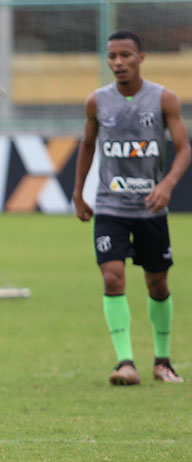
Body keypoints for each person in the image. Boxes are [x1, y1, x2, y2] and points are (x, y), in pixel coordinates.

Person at [73, 29, 190, 386]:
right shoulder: (97, 102)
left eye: (125, 55)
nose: (118, 62)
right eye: (112, 57)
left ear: (141, 57)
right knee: (112, 276)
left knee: (157, 283)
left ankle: (162, 360)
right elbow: (88, 147)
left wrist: (167, 185)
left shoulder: (164, 99)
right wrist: (79, 193)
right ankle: (125, 362)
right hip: (110, 205)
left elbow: (184, 148)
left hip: (151, 209)